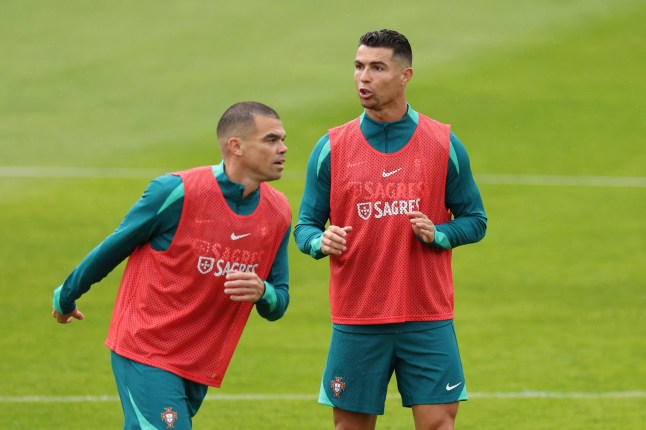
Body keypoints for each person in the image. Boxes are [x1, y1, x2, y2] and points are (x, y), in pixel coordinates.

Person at [52, 101, 291, 429]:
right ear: (235, 146)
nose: (283, 148)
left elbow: (279, 302)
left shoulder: (277, 212)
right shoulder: (177, 192)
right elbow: (113, 248)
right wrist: (66, 296)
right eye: (271, 140)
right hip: (145, 349)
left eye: (282, 139)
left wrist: (262, 291)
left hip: (198, 363)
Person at [294, 30, 487, 429]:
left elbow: (475, 219)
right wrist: (319, 240)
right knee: (350, 427)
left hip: (426, 314)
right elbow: (305, 226)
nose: (364, 77)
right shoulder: (331, 147)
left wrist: (441, 233)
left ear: (405, 76)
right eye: (359, 67)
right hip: (358, 316)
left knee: (438, 424)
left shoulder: (442, 143)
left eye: (377, 68)